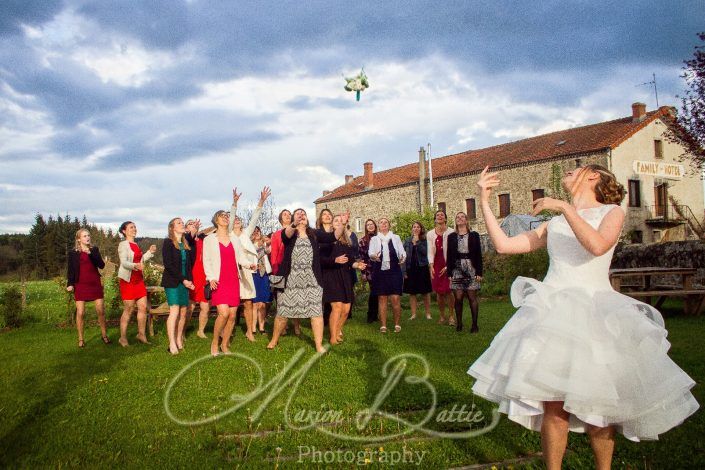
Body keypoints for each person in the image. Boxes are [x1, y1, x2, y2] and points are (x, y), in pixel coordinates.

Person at [468, 164, 699, 470]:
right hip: (553, 314)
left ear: (594, 177)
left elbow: (597, 245)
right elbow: (504, 245)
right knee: (552, 401)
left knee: (599, 406)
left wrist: (563, 207)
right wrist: (484, 200)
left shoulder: (611, 212)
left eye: (577, 168)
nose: (569, 171)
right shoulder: (555, 223)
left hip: (594, 314)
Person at [266, 208, 343, 353]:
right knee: (282, 313)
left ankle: (318, 345)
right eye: (298, 214)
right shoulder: (290, 233)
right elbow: (285, 235)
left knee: (316, 313)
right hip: (290, 280)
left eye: (303, 214)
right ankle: (274, 339)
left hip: (312, 280)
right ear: (294, 219)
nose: (301, 216)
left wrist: (342, 224)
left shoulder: (314, 233)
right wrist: (294, 224)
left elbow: (333, 236)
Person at [229, 186, 270, 342]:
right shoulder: (229, 235)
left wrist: (261, 201)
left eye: (239, 220)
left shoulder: (246, 234)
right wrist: (234, 203)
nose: (237, 221)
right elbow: (230, 217)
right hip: (232, 271)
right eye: (235, 220)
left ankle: (249, 331)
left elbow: (254, 217)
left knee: (247, 302)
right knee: (232, 305)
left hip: (247, 270)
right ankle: (229, 330)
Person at [321, 215, 366, 345]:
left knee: (346, 310)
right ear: (332, 226)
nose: (339, 223)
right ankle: (333, 337)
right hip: (331, 276)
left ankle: (337, 330)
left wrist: (358, 265)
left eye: (341, 221)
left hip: (345, 276)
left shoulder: (347, 243)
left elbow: (351, 261)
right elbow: (320, 260)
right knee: (337, 307)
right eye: (336, 221)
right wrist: (334, 260)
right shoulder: (326, 242)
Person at [203, 210, 241, 356]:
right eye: (222, 216)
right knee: (223, 313)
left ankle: (224, 345)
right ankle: (214, 342)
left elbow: (240, 257)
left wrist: (249, 264)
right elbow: (206, 260)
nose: (225, 218)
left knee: (232, 315)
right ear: (216, 220)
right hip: (218, 280)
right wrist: (210, 277)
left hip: (233, 279)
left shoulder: (234, 239)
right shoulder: (209, 239)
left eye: (227, 216)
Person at [66, 228, 108, 348]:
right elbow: (71, 270)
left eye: (88, 235)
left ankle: (104, 335)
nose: (87, 238)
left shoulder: (94, 250)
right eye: (84, 236)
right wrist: (70, 284)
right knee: (80, 313)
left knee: (100, 311)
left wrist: (91, 254)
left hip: (94, 284)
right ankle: (81, 339)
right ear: (78, 239)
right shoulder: (73, 253)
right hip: (80, 284)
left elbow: (101, 265)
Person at [117, 221, 156, 347]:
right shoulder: (123, 245)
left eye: (134, 227)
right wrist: (136, 265)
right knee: (128, 309)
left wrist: (149, 252)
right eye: (131, 227)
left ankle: (141, 335)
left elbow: (140, 259)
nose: (134, 229)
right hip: (128, 280)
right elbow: (124, 262)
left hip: (139, 280)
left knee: (143, 307)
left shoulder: (136, 245)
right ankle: (122, 338)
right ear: (124, 231)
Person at [161, 217, 196, 355]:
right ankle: (172, 343)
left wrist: (190, 281)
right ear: (172, 228)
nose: (182, 224)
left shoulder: (186, 244)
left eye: (182, 222)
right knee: (174, 311)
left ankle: (178, 338)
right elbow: (168, 265)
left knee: (183, 312)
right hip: (173, 282)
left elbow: (189, 265)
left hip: (185, 282)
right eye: (179, 223)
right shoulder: (168, 243)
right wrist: (183, 280)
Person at [446, 212, 483, 332]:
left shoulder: (474, 235)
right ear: (455, 221)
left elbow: (478, 254)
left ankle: (475, 325)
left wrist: (479, 272)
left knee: (472, 296)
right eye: (458, 217)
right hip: (456, 268)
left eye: (462, 217)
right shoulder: (451, 236)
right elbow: (449, 255)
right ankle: (459, 324)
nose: (460, 219)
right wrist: (449, 273)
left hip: (471, 267)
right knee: (458, 297)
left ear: (466, 220)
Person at [368, 217, 406, 333]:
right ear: (378, 226)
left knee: (395, 298)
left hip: (394, 269)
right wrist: (374, 256)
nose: (383, 224)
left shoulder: (396, 238)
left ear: (389, 225)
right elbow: (370, 253)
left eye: (386, 222)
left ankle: (397, 324)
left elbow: (402, 252)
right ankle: (383, 325)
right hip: (379, 270)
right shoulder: (374, 239)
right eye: (381, 222)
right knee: (382, 297)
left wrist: (403, 257)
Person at [427, 210, 455, 325]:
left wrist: (449, 266)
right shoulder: (430, 234)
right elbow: (430, 251)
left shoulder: (452, 232)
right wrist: (431, 266)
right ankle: (442, 316)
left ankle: (452, 317)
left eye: (442, 215)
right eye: (437, 215)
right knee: (439, 292)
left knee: (449, 291)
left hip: (448, 263)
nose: (439, 216)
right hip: (436, 264)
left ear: (445, 219)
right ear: (435, 219)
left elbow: (454, 251)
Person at [186, 219, 212, 339]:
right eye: (190, 224)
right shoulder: (186, 241)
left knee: (205, 307)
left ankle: (201, 331)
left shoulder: (203, 239)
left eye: (194, 223)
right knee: (190, 307)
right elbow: (189, 239)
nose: (193, 225)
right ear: (186, 229)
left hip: (205, 276)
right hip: (193, 276)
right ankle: (182, 330)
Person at [402, 222, 432, 320]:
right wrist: (404, 271)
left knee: (425, 292)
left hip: (422, 267)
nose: (416, 228)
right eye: (414, 227)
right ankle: (413, 314)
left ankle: (428, 313)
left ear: (421, 229)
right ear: (412, 229)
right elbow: (403, 256)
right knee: (412, 292)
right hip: (411, 268)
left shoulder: (424, 240)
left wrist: (417, 243)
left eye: (418, 227)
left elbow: (426, 253)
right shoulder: (407, 240)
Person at [251, 225, 272, 334]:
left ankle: (262, 327)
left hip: (264, 275)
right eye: (254, 231)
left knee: (263, 303)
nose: (257, 233)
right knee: (255, 303)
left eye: (258, 231)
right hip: (254, 274)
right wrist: (260, 247)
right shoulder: (249, 245)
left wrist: (266, 244)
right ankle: (253, 328)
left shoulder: (265, 244)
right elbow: (254, 255)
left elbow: (269, 250)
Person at [316, 208, 335, 327]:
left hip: (335, 267)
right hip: (321, 267)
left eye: (329, 214)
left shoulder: (337, 231)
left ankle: (330, 320)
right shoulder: (317, 233)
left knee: (333, 295)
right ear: (320, 218)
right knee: (322, 295)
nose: (327, 216)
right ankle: (320, 319)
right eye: (324, 214)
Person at [358, 219, 378, 323]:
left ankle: (376, 315)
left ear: (375, 226)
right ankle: (370, 316)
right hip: (370, 270)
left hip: (381, 269)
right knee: (374, 292)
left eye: (372, 224)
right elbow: (361, 258)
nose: (370, 226)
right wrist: (363, 273)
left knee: (380, 292)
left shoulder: (380, 238)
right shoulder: (363, 241)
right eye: (368, 225)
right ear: (366, 227)